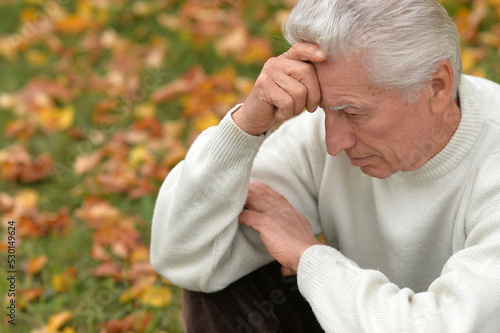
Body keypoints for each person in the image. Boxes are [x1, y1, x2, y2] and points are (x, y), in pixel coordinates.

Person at [150, 0, 500, 331]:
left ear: (436, 86)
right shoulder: (317, 139)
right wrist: (245, 127)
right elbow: (184, 258)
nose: (334, 142)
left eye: (351, 112)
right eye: (326, 110)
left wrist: (308, 258)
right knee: (224, 266)